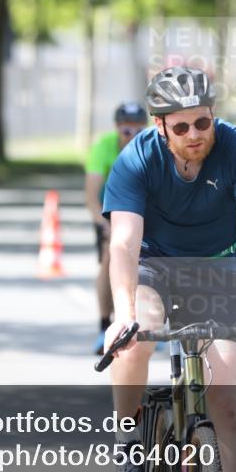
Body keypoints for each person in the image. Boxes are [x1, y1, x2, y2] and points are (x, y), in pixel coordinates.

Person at [102, 66, 236, 472]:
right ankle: (128, 445)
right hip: (154, 267)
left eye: (202, 123)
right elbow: (122, 243)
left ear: (214, 117)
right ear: (159, 125)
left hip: (221, 269)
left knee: (224, 395)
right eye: (180, 126)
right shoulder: (135, 159)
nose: (193, 135)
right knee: (135, 341)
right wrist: (122, 313)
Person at [84, 101, 148, 355]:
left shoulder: (153, 145)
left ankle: (152, 322)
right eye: (126, 130)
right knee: (111, 258)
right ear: (117, 128)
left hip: (143, 207)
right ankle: (104, 324)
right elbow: (91, 195)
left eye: (138, 130)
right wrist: (103, 224)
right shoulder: (103, 147)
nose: (131, 135)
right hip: (109, 210)